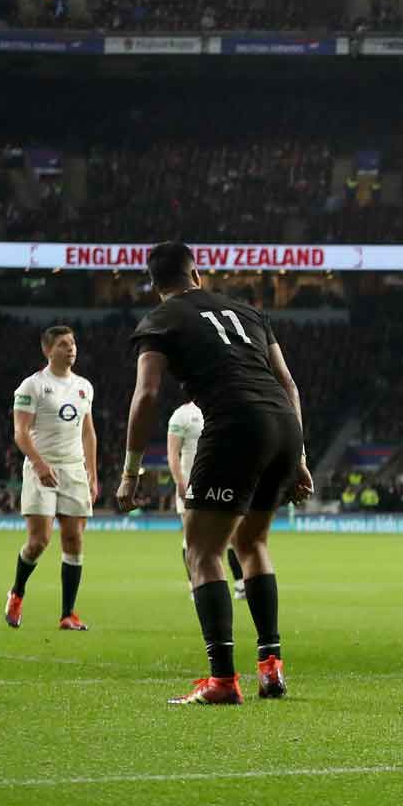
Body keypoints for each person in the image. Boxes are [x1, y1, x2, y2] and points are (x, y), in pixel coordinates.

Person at [116, 243, 311, 705]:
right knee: (253, 542)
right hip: (283, 425)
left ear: (154, 283)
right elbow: (288, 383)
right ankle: (271, 668)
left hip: (234, 427)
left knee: (202, 552)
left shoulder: (160, 321)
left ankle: (223, 681)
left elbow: (146, 395)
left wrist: (130, 471)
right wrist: (299, 455)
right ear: (196, 273)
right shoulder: (248, 313)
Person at [6, 324, 97, 632]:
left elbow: (88, 432)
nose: (70, 348)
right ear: (47, 350)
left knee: (74, 540)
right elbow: (20, 431)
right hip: (41, 467)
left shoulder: (84, 386)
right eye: (62, 344)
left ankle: (68, 614)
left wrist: (93, 473)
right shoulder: (32, 386)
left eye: (72, 343)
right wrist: (38, 463)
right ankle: (17, 592)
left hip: (73, 469)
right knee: (39, 541)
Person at [167, 399, 246, 599]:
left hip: (220, 483)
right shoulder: (182, 415)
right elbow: (173, 454)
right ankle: (194, 585)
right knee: (191, 538)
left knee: (228, 536)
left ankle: (240, 585)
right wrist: (179, 481)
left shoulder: (221, 409)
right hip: (191, 484)